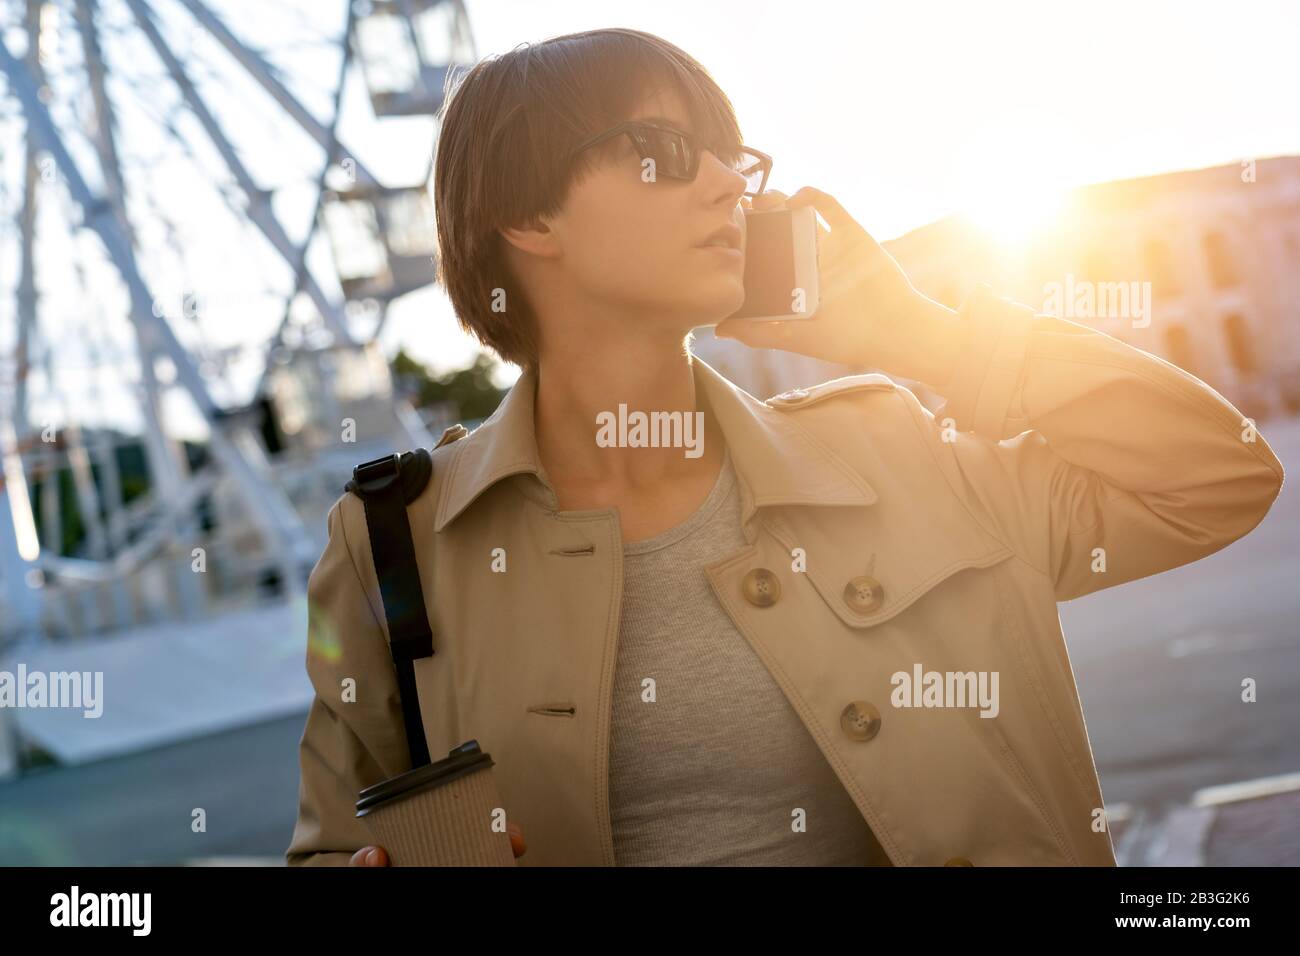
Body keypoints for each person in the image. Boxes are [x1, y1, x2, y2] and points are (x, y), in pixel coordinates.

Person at [286, 27, 1284, 867]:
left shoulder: (894, 451)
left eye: (733, 157)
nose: (729, 183)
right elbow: (335, 844)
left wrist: (923, 336)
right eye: (665, 149)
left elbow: (1217, 474)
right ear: (526, 214)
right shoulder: (390, 545)